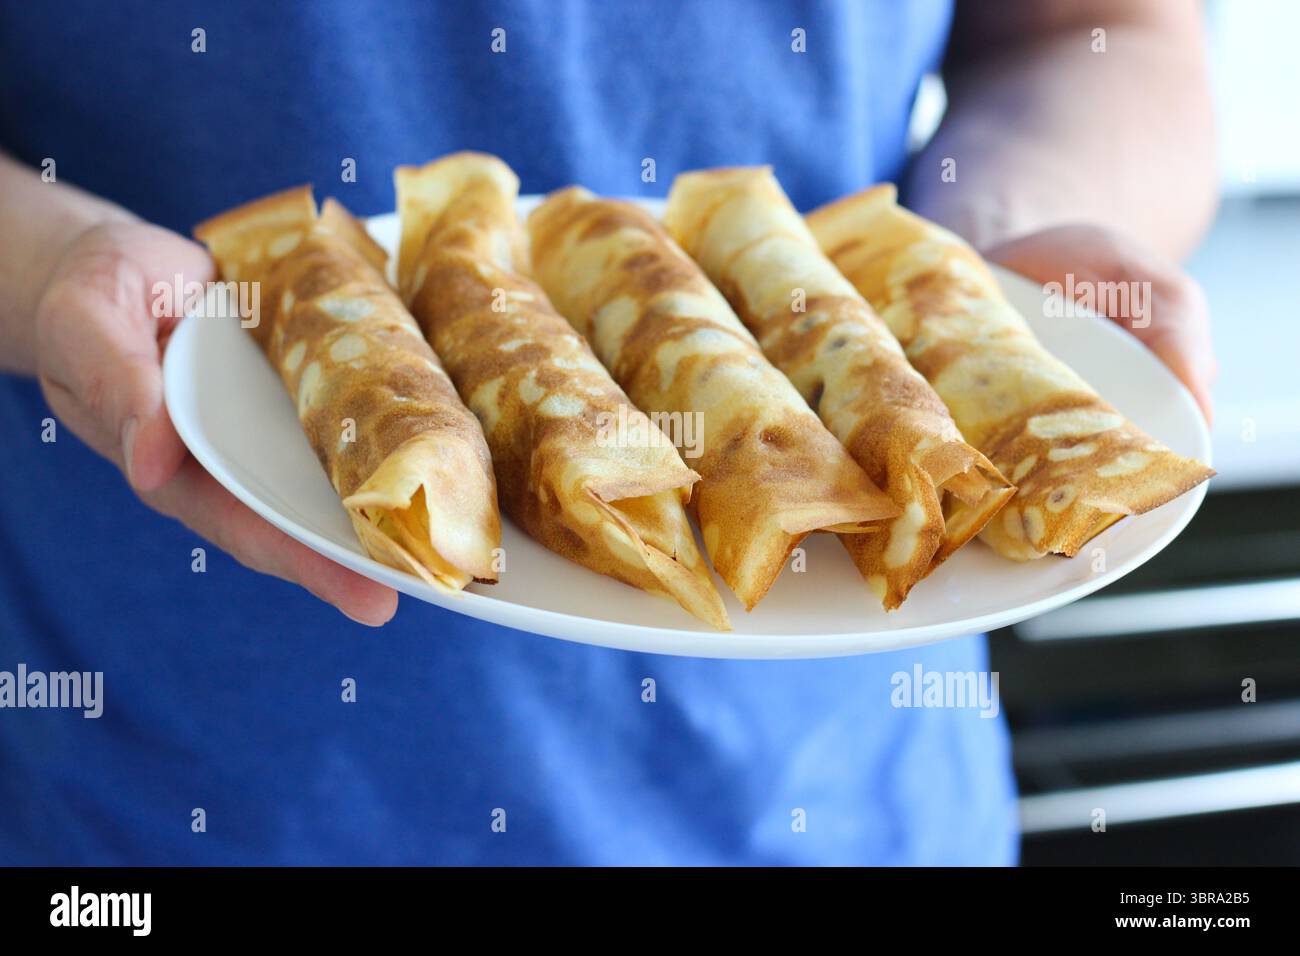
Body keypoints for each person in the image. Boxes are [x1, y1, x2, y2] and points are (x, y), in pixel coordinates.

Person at [0, 0, 1215, 865]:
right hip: (163, 789)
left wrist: (965, 277)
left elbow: (1100, 34)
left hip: (841, 788)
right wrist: (53, 261)